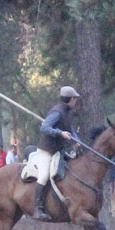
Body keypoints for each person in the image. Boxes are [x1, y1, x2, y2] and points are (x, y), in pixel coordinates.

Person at [35, 86, 81, 221]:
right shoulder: (57, 112)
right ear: (71, 99)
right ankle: (37, 208)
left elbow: (71, 130)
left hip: (58, 152)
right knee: (44, 176)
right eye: (75, 99)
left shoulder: (66, 112)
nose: (76, 101)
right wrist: (60, 133)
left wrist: (77, 141)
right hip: (46, 151)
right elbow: (44, 128)